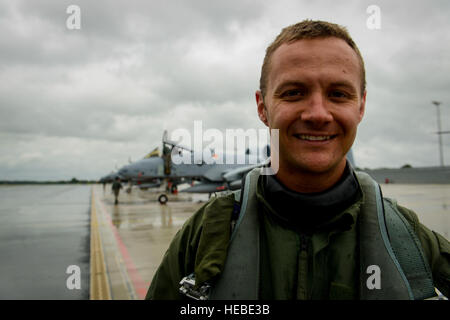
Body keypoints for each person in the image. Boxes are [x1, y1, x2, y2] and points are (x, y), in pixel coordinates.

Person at [146, 20, 449, 300]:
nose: (317, 114)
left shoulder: (407, 238)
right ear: (262, 107)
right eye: (293, 93)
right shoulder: (203, 235)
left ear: (361, 106)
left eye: (339, 94)